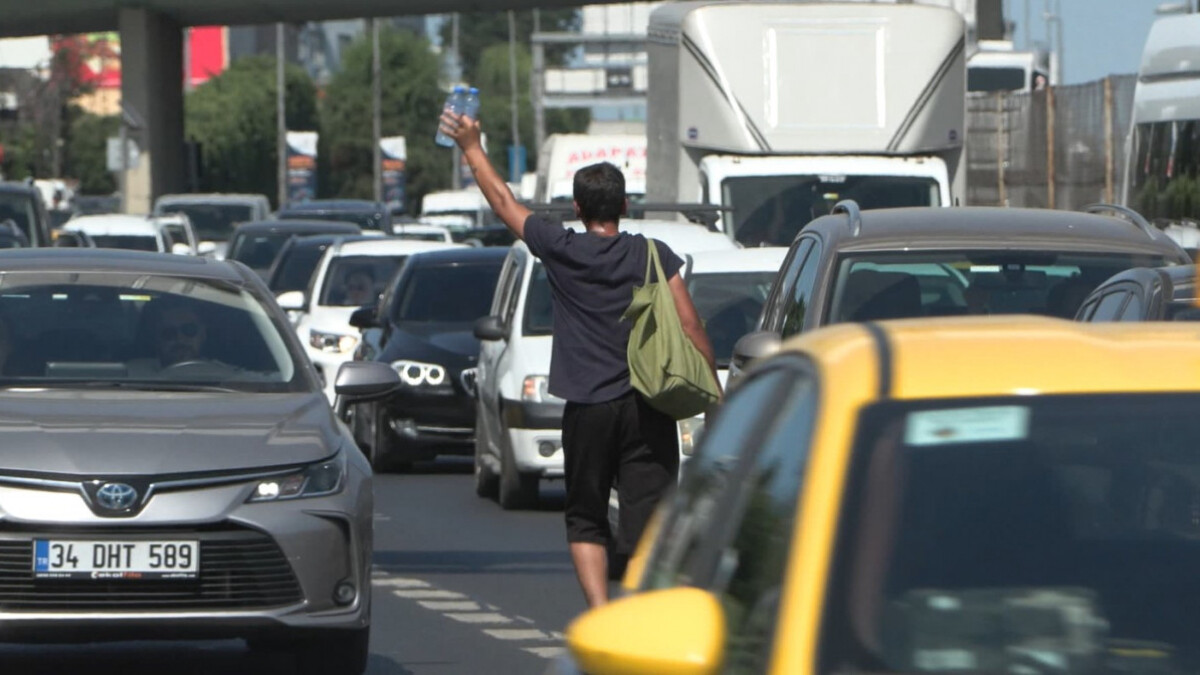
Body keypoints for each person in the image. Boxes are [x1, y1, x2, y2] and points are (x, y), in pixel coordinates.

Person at [440, 110, 719, 608]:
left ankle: (598, 611)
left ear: (576, 207)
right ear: (624, 206)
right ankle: (641, 608)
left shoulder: (561, 247)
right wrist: (712, 395)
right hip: (646, 405)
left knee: (586, 515)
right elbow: (691, 324)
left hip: (587, 405)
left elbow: (503, 202)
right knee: (651, 516)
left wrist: (471, 146)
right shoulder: (653, 254)